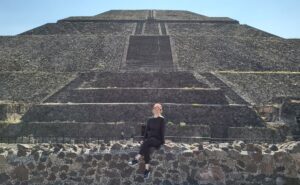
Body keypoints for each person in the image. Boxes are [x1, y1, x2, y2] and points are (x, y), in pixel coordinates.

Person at [128, 103, 166, 179]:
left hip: (157, 140)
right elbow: (146, 131)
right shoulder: (150, 120)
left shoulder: (162, 119)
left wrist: (162, 142)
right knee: (146, 148)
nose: (157, 110)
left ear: (161, 110)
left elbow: (162, 131)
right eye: (155, 108)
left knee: (147, 142)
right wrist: (143, 140)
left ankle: (136, 159)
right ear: (153, 110)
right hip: (150, 140)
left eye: (158, 109)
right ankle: (147, 170)